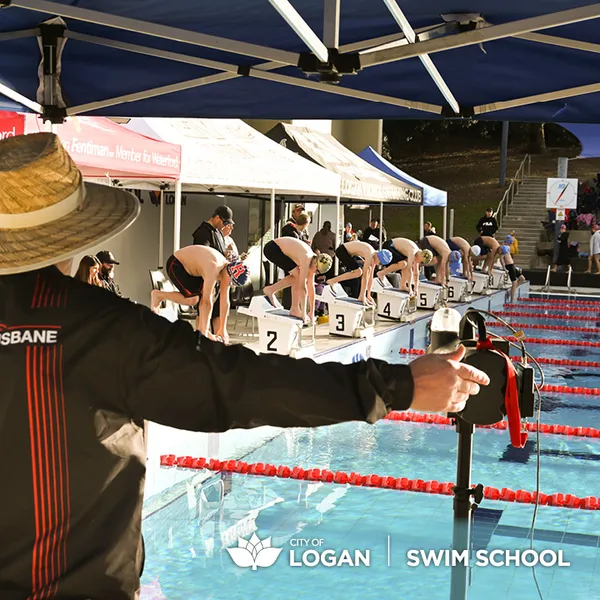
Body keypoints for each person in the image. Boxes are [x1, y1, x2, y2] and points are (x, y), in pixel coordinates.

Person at [0, 133, 490, 600]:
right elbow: (241, 386)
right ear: (71, 237)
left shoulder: (104, 329)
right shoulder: (104, 330)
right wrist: (396, 384)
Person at [150, 245, 248, 343]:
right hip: (176, 263)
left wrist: (222, 328)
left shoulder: (226, 269)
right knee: (194, 300)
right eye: (230, 282)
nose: (228, 285)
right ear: (229, 272)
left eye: (232, 284)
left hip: (193, 269)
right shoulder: (214, 267)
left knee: (209, 295)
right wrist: (204, 334)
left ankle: (203, 330)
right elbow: (206, 302)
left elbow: (224, 300)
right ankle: (159, 295)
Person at [263, 237, 331, 323]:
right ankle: (271, 290)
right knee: (298, 277)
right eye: (317, 271)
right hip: (272, 248)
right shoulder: (306, 258)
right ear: (315, 263)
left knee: (298, 277)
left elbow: (311, 287)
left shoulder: (313, 261)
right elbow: (303, 288)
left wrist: (311, 312)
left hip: (279, 248)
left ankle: (294, 309)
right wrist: (303, 313)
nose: (316, 273)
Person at [191, 205, 233, 334]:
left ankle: (217, 336)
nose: (224, 225)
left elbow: (216, 252)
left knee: (216, 311)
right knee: (204, 309)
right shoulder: (203, 232)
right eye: (224, 222)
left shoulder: (218, 232)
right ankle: (201, 336)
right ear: (216, 217)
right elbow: (203, 254)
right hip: (207, 277)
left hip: (216, 277)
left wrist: (225, 254)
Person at [327, 241, 393, 307]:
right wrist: (362, 295)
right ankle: (332, 281)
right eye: (380, 263)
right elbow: (364, 277)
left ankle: (334, 281)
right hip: (342, 251)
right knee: (358, 272)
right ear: (379, 257)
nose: (378, 264)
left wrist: (368, 295)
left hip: (349, 253)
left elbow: (370, 277)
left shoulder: (374, 256)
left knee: (368, 269)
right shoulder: (369, 254)